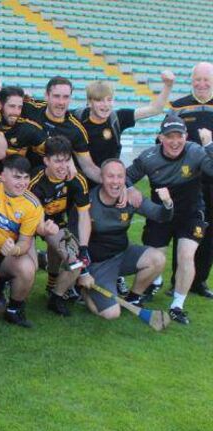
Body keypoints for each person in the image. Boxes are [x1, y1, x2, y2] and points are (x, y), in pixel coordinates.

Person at [125, 113, 213, 324]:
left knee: (185, 256)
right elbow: (126, 176)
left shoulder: (196, 152)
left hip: (191, 213)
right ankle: (151, 285)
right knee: (156, 258)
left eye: (179, 136)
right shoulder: (148, 157)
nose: (175, 141)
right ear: (161, 137)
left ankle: (177, 305)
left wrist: (209, 144)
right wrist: (130, 189)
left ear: (185, 136)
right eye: (169, 136)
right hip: (160, 213)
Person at [77, 160, 172, 320]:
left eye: (120, 177)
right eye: (110, 176)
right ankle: (84, 291)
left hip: (123, 255)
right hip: (98, 265)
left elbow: (160, 216)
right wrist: (83, 272)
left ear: (125, 179)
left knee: (158, 258)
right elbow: (74, 241)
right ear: (101, 178)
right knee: (111, 314)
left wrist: (167, 203)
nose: (115, 181)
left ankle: (133, 298)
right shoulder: (87, 202)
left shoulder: (130, 197)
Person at [0, 155, 54, 328]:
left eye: (26, 178)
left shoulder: (32, 204)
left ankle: (14, 309)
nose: (22, 183)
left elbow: (25, 242)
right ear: (3, 175)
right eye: (17, 177)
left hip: (0, 257)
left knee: (26, 267)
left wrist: (14, 250)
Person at [28, 136, 91, 316]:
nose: (62, 166)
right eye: (57, 161)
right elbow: (29, 217)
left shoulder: (77, 179)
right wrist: (43, 229)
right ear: (46, 160)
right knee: (29, 271)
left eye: (66, 160)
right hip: (30, 222)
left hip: (56, 221)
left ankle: (56, 295)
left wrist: (84, 247)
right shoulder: (35, 182)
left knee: (78, 260)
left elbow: (84, 214)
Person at [167, 62, 213, 298]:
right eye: (198, 79)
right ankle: (177, 280)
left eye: (207, 79)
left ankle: (200, 281)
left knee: (210, 231)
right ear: (191, 80)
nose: (202, 84)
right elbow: (164, 137)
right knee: (184, 228)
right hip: (187, 179)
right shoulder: (179, 106)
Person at [23, 77, 100, 182]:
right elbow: (4, 104)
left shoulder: (76, 130)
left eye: (65, 97)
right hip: (22, 180)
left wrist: (116, 183)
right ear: (46, 95)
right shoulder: (30, 108)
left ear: (70, 99)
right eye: (56, 96)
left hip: (54, 187)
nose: (61, 102)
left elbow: (88, 167)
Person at [0, 85, 46, 174]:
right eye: (12, 106)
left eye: (19, 107)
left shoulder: (28, 128)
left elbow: (53, 148)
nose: (16, 112)